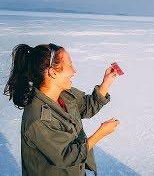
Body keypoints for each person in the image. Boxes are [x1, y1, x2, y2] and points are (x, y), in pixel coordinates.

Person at [3, 43, 120, 176]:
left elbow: (87, 107)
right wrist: (100, 133)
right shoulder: (38, 119)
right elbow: (66, 156)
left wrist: (106, 83)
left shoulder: (64, 94)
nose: (74, 71)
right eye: (70, 65)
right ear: (52, 72)